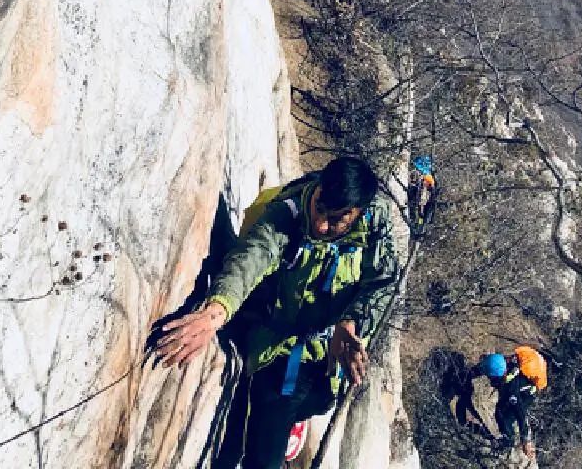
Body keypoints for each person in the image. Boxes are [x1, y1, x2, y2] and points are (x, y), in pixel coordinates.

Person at [153, 156, 400, 469]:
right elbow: (253, 257)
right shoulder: (288, 213)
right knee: (268, 438)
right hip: (277, 340)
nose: (322, 224)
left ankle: (294, 420)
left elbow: (382, 282)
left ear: (357, 213)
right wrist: (213, 314)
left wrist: (351, 322)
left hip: (329, 346)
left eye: (336, 219)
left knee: (321, 399)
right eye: (320, 209)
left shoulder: (374, 223)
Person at [493, 347, 546, 462]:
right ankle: (507, 439)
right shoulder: (504, 364)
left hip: (524, 395)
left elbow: (521, 415)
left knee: (505, 416)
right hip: (521, 385)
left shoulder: (512, 390)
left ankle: (508, 443)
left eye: (493, 380)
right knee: (500, 412)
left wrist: (525, 439)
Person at [407, 155, 438, 235]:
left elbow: (423, 199)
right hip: (420, 203)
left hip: (421, 204)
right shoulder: (426, 181)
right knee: (419, 214)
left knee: (419, 215)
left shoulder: (427, 184)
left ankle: (417, 226)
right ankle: (417, 225)